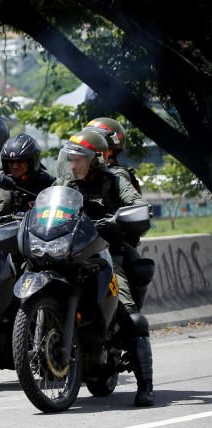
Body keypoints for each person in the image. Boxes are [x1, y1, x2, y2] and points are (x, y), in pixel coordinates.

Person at [59, 130, 154, 407]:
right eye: (71, 159)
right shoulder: (65, 182)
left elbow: (138, 204)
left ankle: (145, 385)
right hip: (71, 253)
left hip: (107, 254)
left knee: (129, 314)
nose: (73, 165)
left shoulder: (114, 180)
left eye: (79, 160)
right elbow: (47, 202)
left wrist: (119, 218)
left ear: (96, 159)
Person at [0, 133, 55, 217]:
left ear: (31, 163)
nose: (15, 166)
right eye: (11, 162)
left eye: (20, 162)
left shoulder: (48, 182)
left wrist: (44, 206)